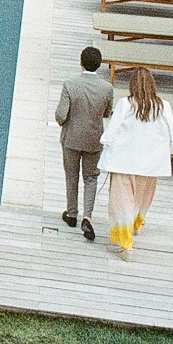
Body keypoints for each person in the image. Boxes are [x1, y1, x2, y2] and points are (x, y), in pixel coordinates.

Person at [98, 66, 173, 261]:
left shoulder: (125, 104)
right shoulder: (163, 106)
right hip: (150, 165)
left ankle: (126, 243)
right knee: (142, 199)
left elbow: (111, 131)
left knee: (121, 203)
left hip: (124, 162)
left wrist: (105, 143)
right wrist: (171, 148)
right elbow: (172, 137)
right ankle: (136, 223)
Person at [58, 45, 114, 241]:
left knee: (71, 176)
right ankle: (87, 216)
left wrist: (64, 122)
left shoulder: (69, 85)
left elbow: (60, 114)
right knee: (91, 177)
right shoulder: (107, 88)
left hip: (72, 137)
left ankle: (71, 213)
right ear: (98, 65)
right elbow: (108, 112)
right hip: (93, 138)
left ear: (80, 62)